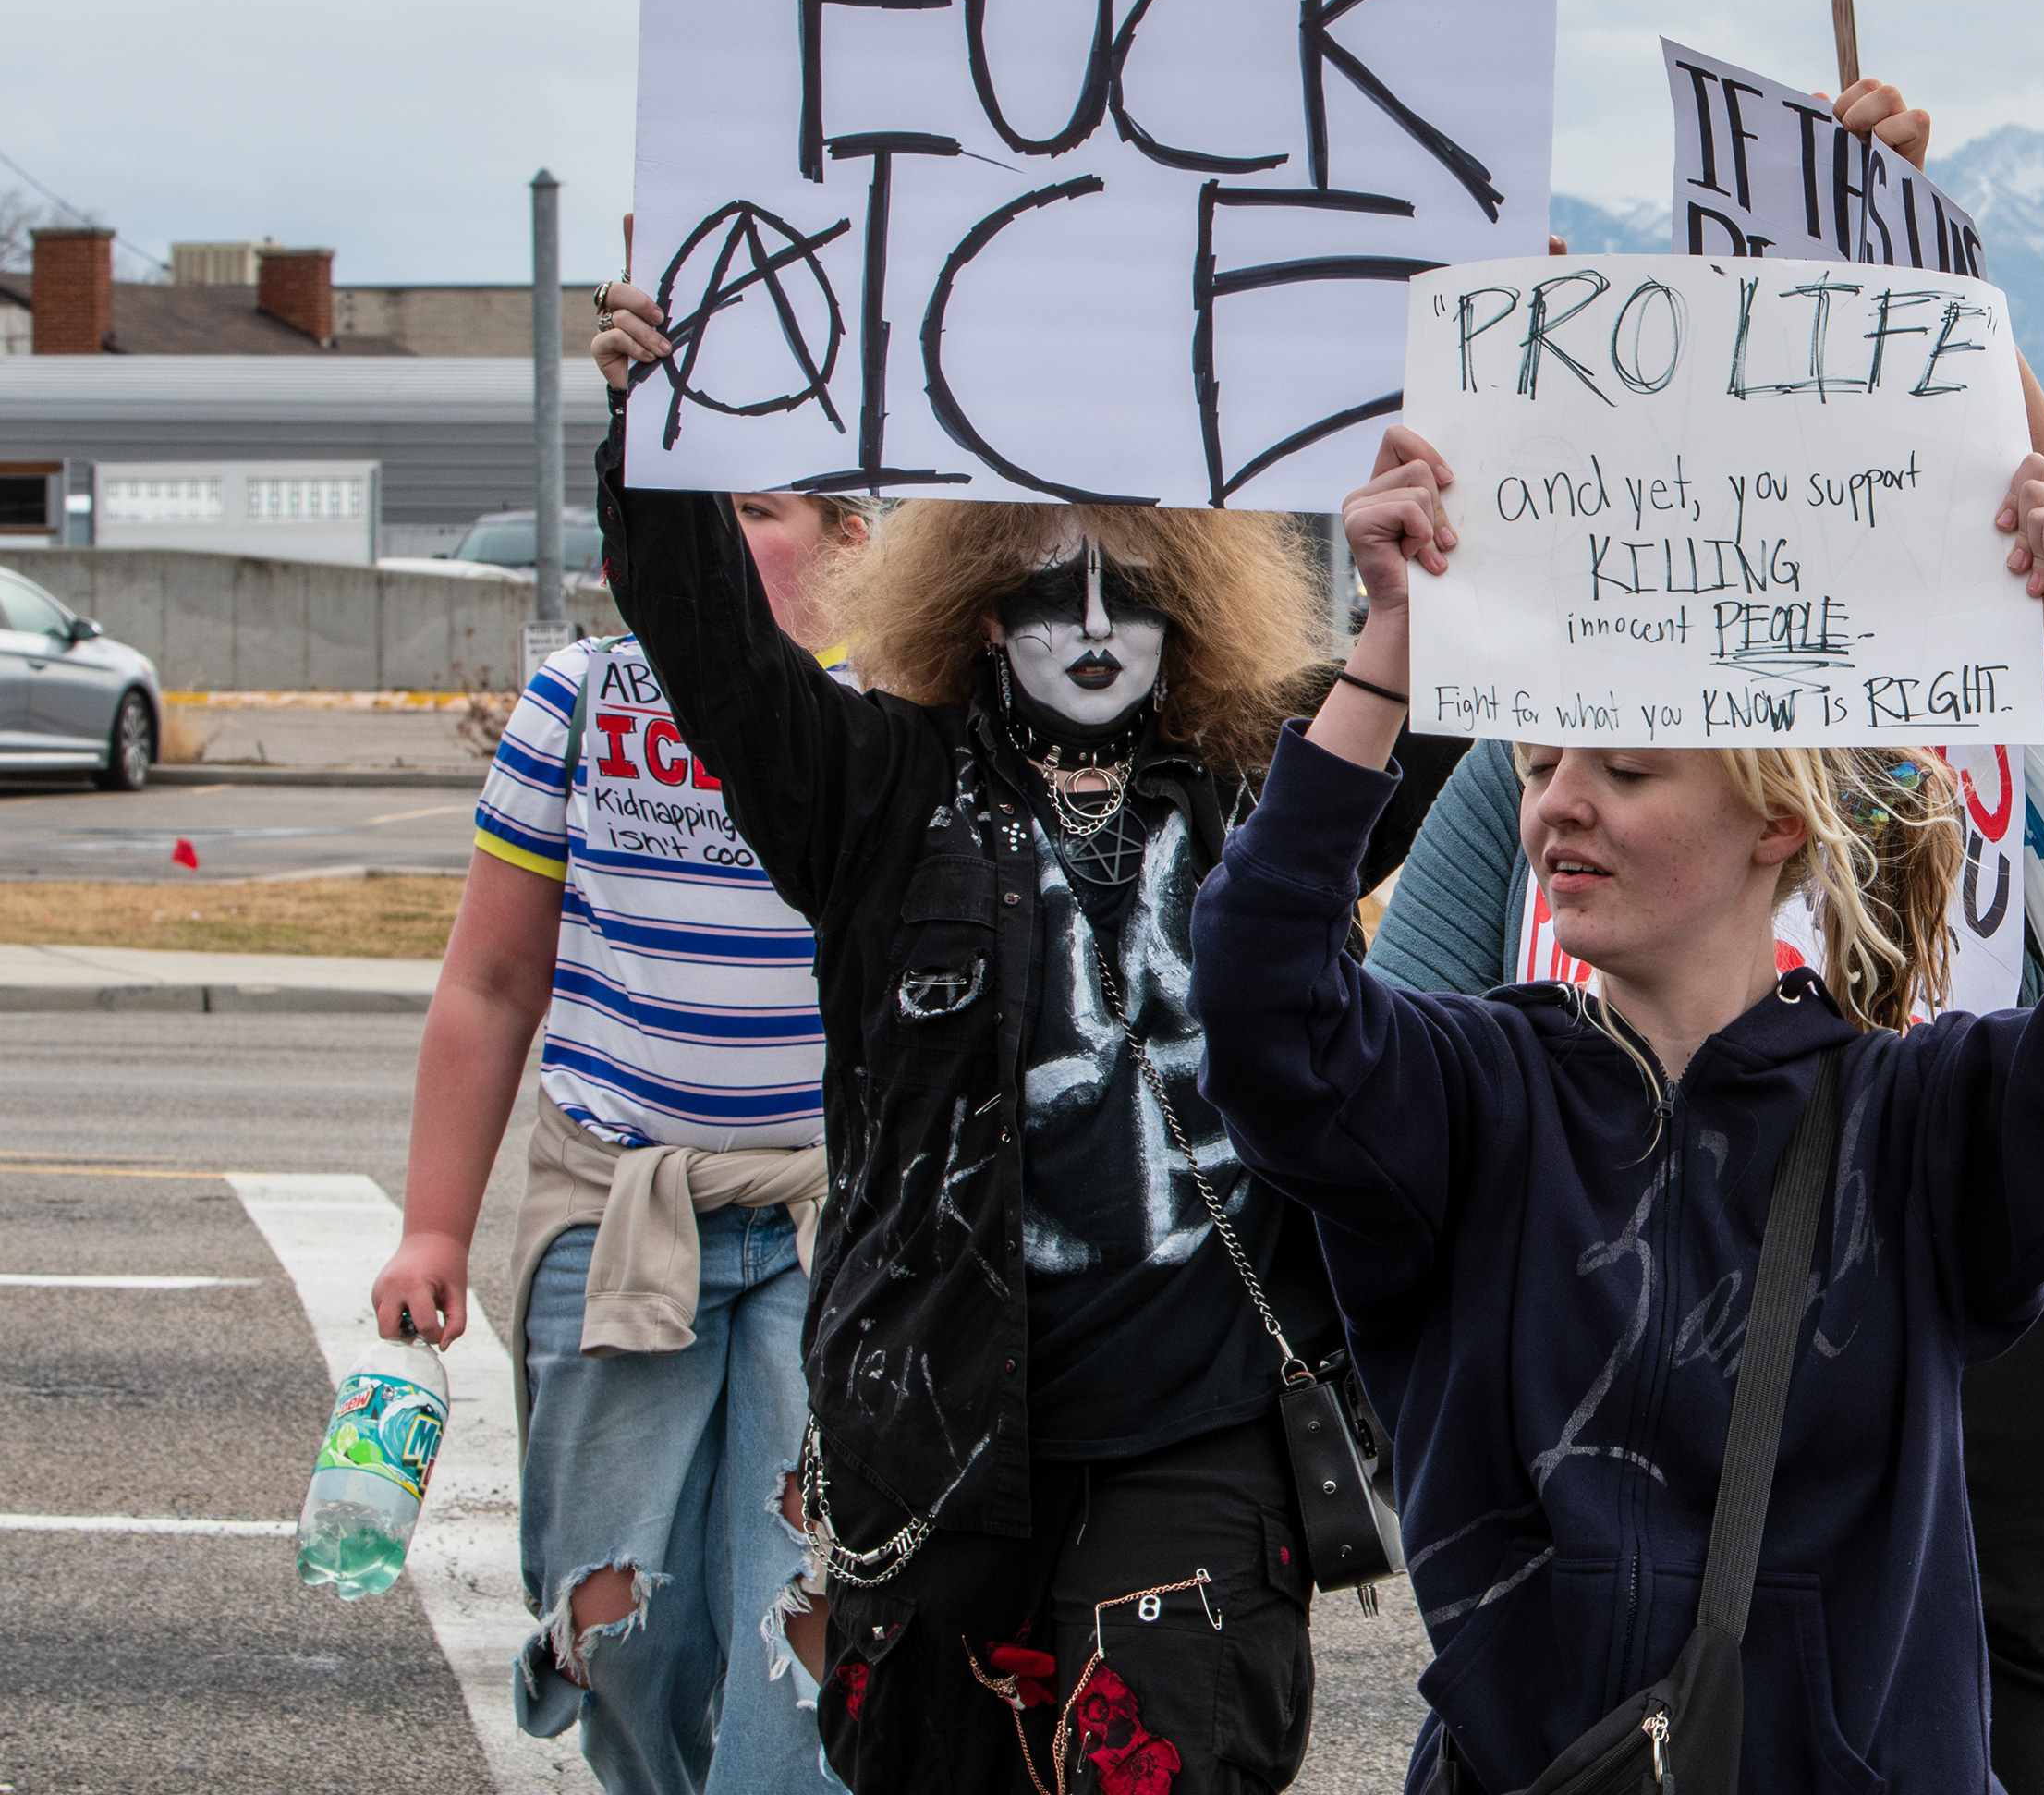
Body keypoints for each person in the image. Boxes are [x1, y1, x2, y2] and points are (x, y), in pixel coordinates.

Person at [1191, 423, 2044, 1791]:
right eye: (1540, 768)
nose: (1557, 809)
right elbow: (1255, 985)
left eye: (1625, 770)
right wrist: (1391, 641)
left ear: (1775, 819)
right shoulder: (1467, 1097)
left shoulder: (1922, 1121)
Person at [586, 284, 1466, 1794]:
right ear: (986, 614)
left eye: (1132, 590)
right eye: (1057, 594)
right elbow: (712, 649)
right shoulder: (868, 795)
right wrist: (653, 424)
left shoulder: (1267, 787)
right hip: (935, 1452)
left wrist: (1506, 413)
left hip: (1196, 1448)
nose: (1098, 624)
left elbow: (1449, 662)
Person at [370, 486, 870, 1793]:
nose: (702, 541)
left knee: (805, 1628)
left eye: (751, 511)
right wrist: (432, 1226)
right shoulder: (582, 702)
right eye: (679, 512)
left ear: (851, 538)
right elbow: (488, 983)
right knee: (616, 1627)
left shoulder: (898, 711)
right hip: (620, 1220)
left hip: (834, 1232)